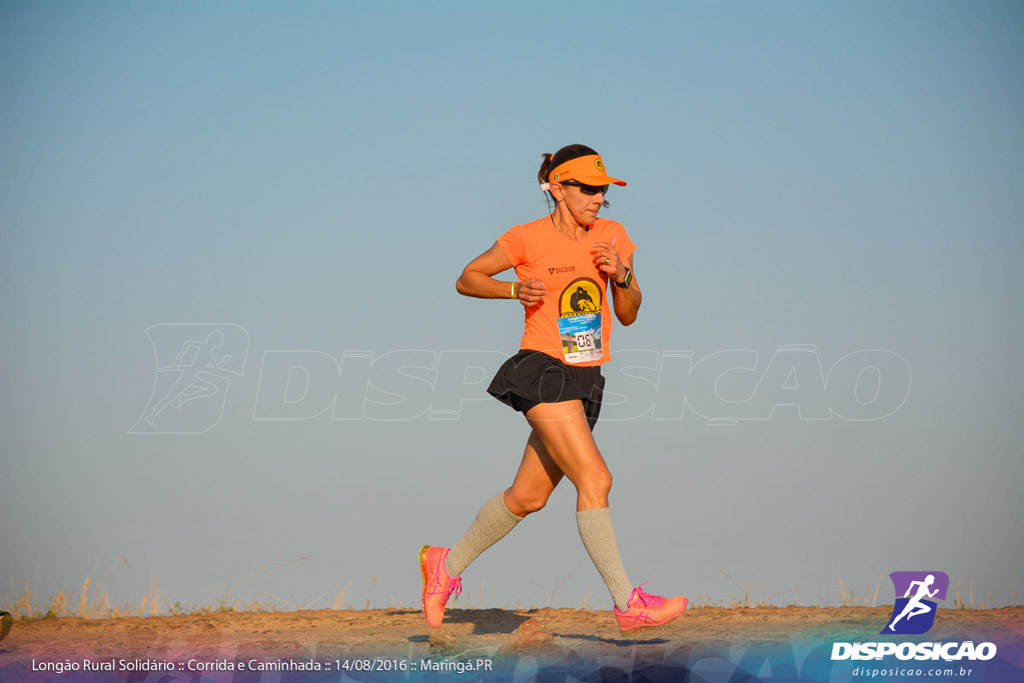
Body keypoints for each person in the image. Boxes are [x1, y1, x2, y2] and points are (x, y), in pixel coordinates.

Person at [419, 144, 687, 636]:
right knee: (597, 479)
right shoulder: (526, 237)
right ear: (558, 188)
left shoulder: (612, 235)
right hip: (542, 370)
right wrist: (512, 289)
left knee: (526, 498)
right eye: (587, 188)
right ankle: (628, 602)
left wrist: (622, 275)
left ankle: (444, 564)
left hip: (586, 377)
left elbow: (627, 314)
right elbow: (467, 278)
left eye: (603, 189)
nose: (597, 197)